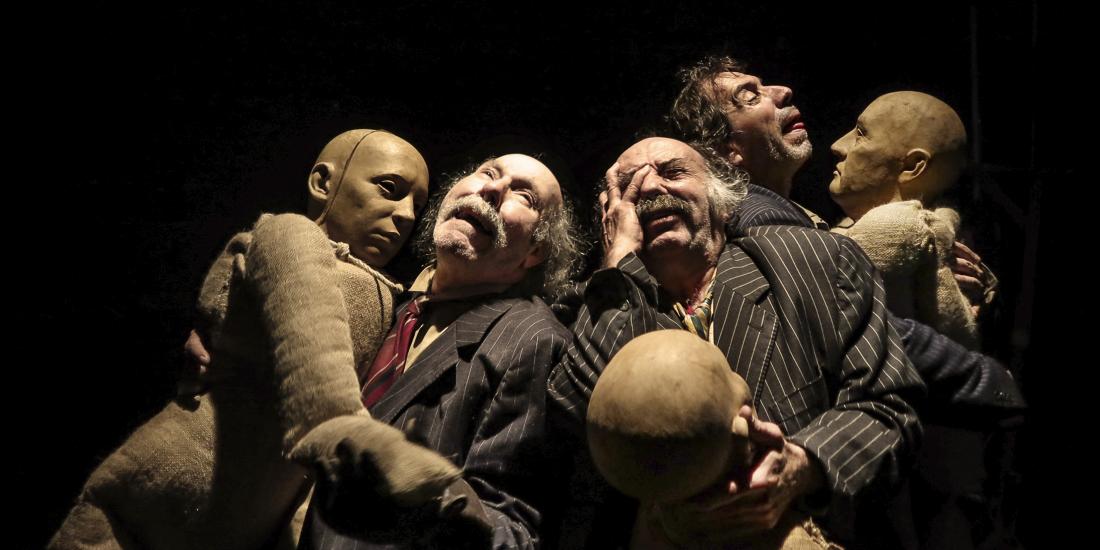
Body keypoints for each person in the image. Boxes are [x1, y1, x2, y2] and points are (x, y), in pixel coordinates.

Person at [51, 130, 462, 550]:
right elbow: (310, 324)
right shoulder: (291, 233)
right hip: (157, 497)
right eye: (389, 188)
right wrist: (341, 429)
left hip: (244, 522)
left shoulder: (393, 295)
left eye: (417, 205)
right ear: (323, 183)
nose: (406, 215)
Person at [549, 137, 925, 546]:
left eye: (673, 172)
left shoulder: (813, 262)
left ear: (724, 204)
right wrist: (619, 264)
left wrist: (802, 466)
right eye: (629, 186)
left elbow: (889, 407)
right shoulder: (594, 302)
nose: (651, 188)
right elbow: (582, 412)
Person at [299, 153, 582, 549]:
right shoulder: (388, 307)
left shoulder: (533, 339)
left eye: (524, 195)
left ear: (536, 251)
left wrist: (434, 500)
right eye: (488, 172)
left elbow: (513, 529)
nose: (492, 188)